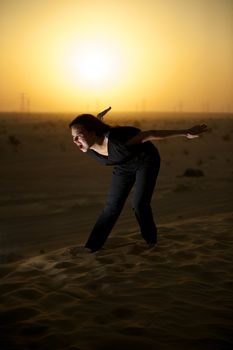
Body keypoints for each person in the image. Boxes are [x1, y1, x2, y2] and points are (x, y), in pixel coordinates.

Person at [69, 108, 207, 254]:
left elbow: (149, 134)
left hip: (146, 160)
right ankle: (91, 248)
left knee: (139, 204)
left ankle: (151, 243)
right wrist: (98, 119)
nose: (75, 141)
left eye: (78, 136)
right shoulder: (89, 148)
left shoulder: (117, 140)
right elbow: (97, 130)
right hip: (124, 165)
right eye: (73, 137)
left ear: (92, 132)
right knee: (111, 207)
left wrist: (186, 132)